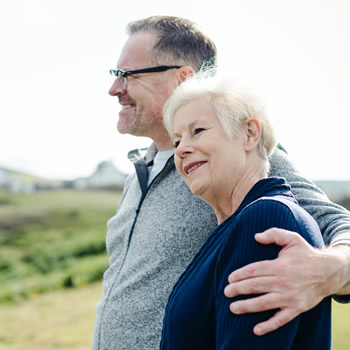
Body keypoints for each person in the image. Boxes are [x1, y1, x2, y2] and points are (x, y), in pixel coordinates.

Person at [92, 16, 350, 350]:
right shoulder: (138, 172)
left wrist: (330, 271)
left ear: (183, 79)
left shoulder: (238, 156)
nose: (115, 89)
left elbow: (335, 224)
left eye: (127, 75)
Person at [160, 69, 331, 349]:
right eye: (177, 141)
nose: (181, 150)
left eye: (198, 131)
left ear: (250, 134)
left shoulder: (265, 220)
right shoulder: (233, 229)